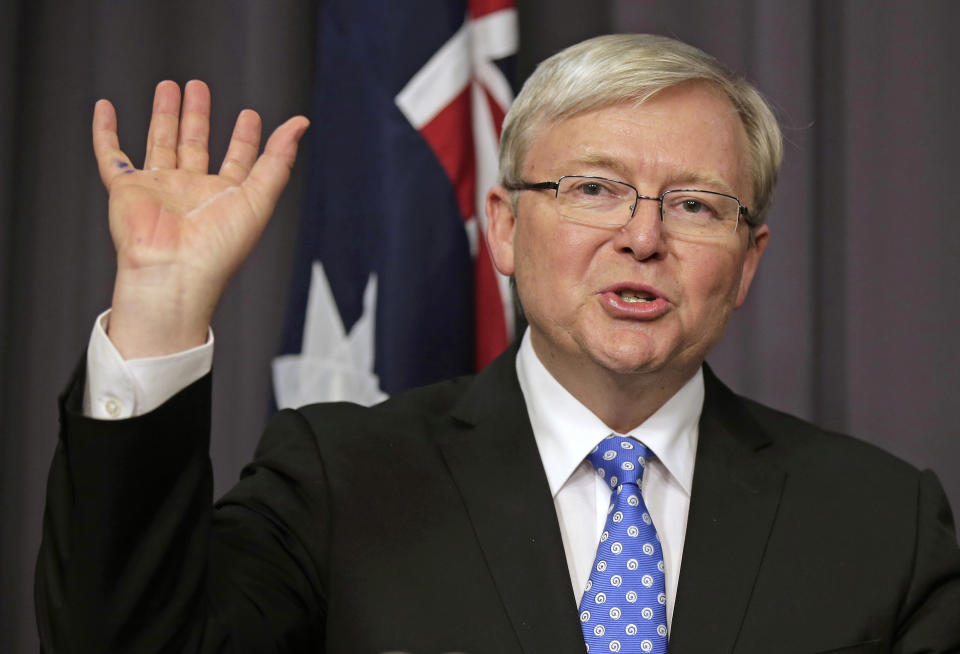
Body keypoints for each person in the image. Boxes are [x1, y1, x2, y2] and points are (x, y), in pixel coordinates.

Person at [37, 34, 960, 654]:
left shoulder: (886, 526)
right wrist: (160, 303)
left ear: (749, 262)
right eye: (593, 189)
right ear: (506, 229)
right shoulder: (340, 480)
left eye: (694, 205)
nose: (643, 238)